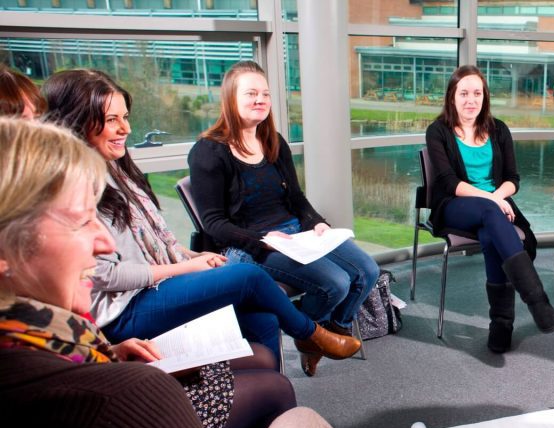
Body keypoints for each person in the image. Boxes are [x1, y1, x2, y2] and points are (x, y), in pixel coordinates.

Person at [0, 117, 389, 428]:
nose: (103, 241)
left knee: (281, 322)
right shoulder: (120, 398)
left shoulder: (49, 351)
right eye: (79, 220)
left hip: (134, 342)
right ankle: (309, 335)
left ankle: (309, 337)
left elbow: (288, 204)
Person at [43, 68, 359, 374]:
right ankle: (309, 334)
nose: (124, 128)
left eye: (125, 117)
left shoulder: (118, 171)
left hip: (162, 283)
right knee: (249, 276)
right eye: (112, 120)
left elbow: (153, 243)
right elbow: (106, 276)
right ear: (76, 123)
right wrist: (185, 267)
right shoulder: (76, 187)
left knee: (263, 317)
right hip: (125, 309)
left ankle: (274, 398)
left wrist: (193, 257)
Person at [188, 60, 378, 377]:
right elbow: (213, 224)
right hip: (249, 245)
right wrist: (262, 240)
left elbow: (296, 199)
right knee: (336, 283)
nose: (260, 100)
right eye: (251, 93)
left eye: (265, 94)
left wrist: (316, 223)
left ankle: (327, 331)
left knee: (367, 271)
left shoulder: (273, 140)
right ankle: (310, 336)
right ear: (230, 99)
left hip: (293, 234)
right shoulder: (208, 151)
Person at [425, 65, 554, 353]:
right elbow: (449, 183)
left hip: (494, 205)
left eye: (477, 93)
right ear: (452, 97)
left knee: (490, 233)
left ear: (484, 97)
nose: (470, 100)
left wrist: (497, 196)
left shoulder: (498, 129)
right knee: (490, 214)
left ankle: (501, 324)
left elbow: (513, 179)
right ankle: (536, 300)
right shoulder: (438, 131)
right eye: (464, 93)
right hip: (454, 205)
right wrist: (493, 201)